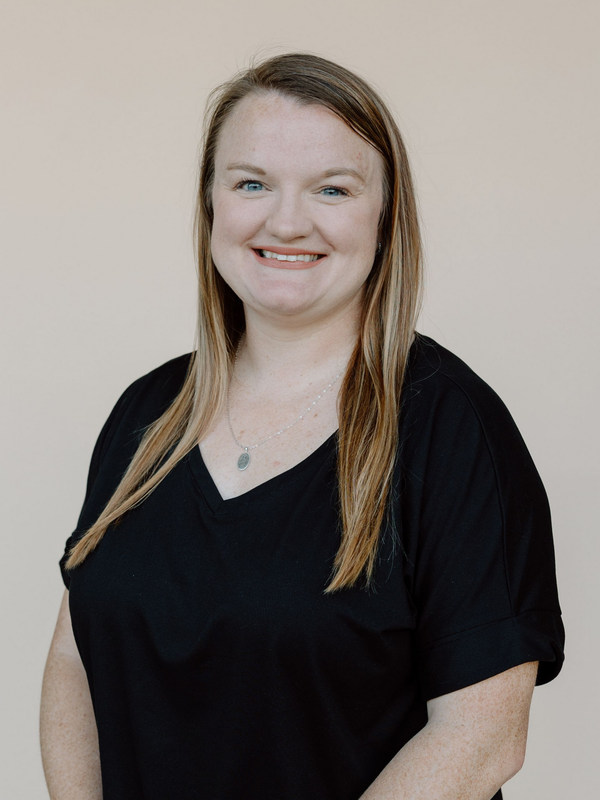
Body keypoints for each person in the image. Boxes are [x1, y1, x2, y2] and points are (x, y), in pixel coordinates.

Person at [40, 52, 565, 800]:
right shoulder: (146, 415)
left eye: (332, 189)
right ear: (212, 204)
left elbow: (480, 740)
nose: (286, 220)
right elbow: (74, 660)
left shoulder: (454, 431)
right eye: (251, 183)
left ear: (384, 217)